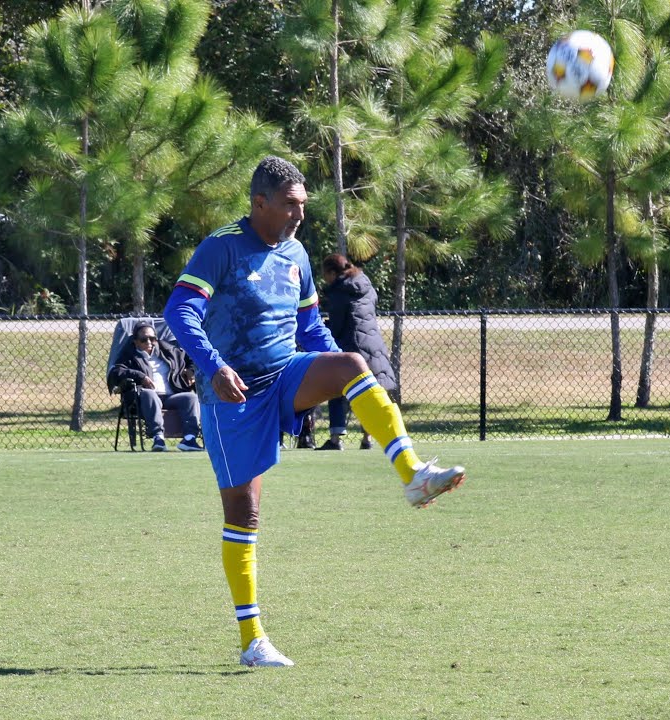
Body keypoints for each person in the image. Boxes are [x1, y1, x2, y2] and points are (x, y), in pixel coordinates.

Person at [163, 156, 466, 668]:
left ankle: (412, 473)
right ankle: (252, 639)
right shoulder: (221, 248)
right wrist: (213, 367)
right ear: (259, 203)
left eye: (303, 205)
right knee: (244, 514)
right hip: (231, 395)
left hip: (283, 375)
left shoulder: (298, 254)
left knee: (349, 361)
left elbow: (309, 328)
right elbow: (179, 310)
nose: (299, 215)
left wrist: (334, 373)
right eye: (289, 205)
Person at [314, 253, 395, 451]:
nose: (325, 279)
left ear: (333, 272)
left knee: (335, 388)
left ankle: (336, 438)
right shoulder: (366, 287)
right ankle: (368, 438)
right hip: (373, 344)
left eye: (326, 275)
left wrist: (324, 328)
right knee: (369, 392)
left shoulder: (339, 292)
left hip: (351, 346)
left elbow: (339, 325)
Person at [107, 322, 203, 452]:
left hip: (171, 395)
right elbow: (116, 372)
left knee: (190, 397)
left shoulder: (168, 350)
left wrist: (191, 370)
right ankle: (158, 438)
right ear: (135, 341)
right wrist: (140, 376)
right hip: (144, 397)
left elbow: (190, 358)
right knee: (149, 393)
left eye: (152, 339)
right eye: (143, 339)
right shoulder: (129, 355)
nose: (149, 342)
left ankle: (190, 439)